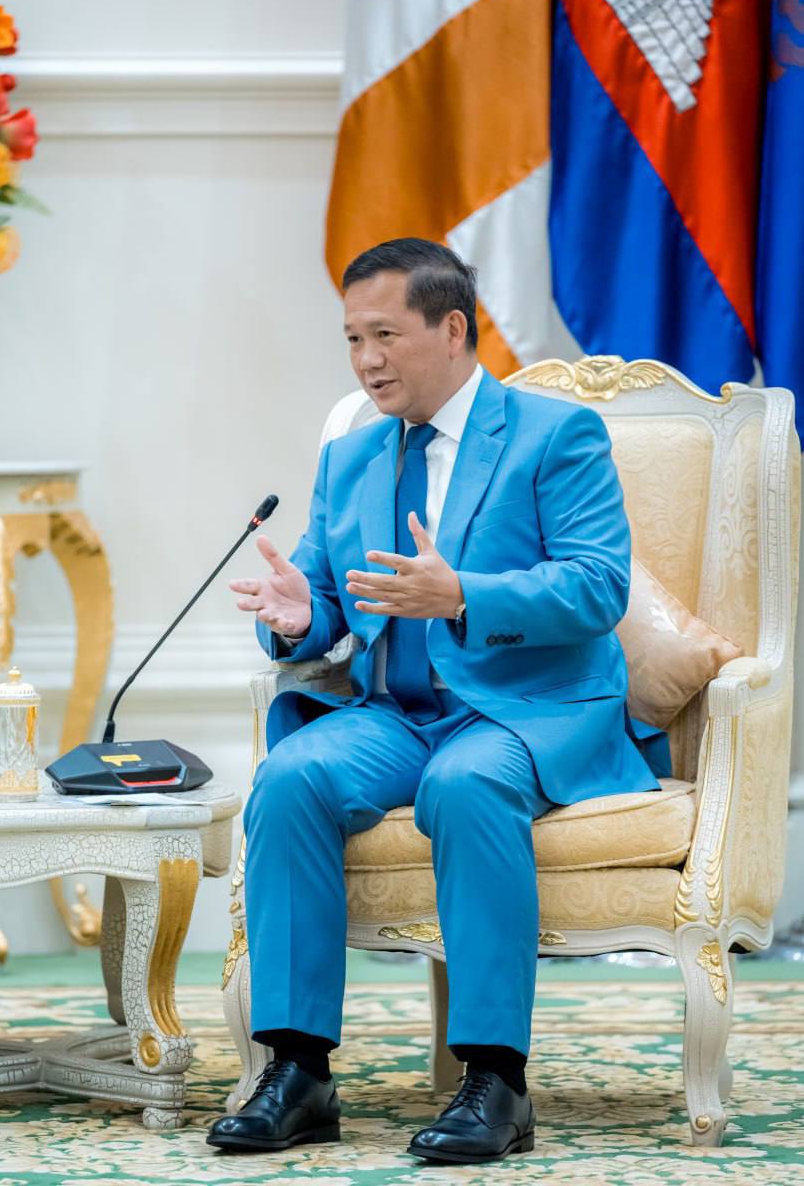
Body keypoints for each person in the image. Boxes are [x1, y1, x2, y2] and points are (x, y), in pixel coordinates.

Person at [206, 238, 669, 1164]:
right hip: (396, 715)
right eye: (352, 339)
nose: (366, 360)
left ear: (451, 329)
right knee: (291, 778)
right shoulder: (350, 457)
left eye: (385, 334)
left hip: (522, 710)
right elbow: (322, 598)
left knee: (466, 783)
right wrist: (297, 618)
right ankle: (297, 1071)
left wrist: (462, 595)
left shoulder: (553, 435)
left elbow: (596, 586)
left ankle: (495, 1081)